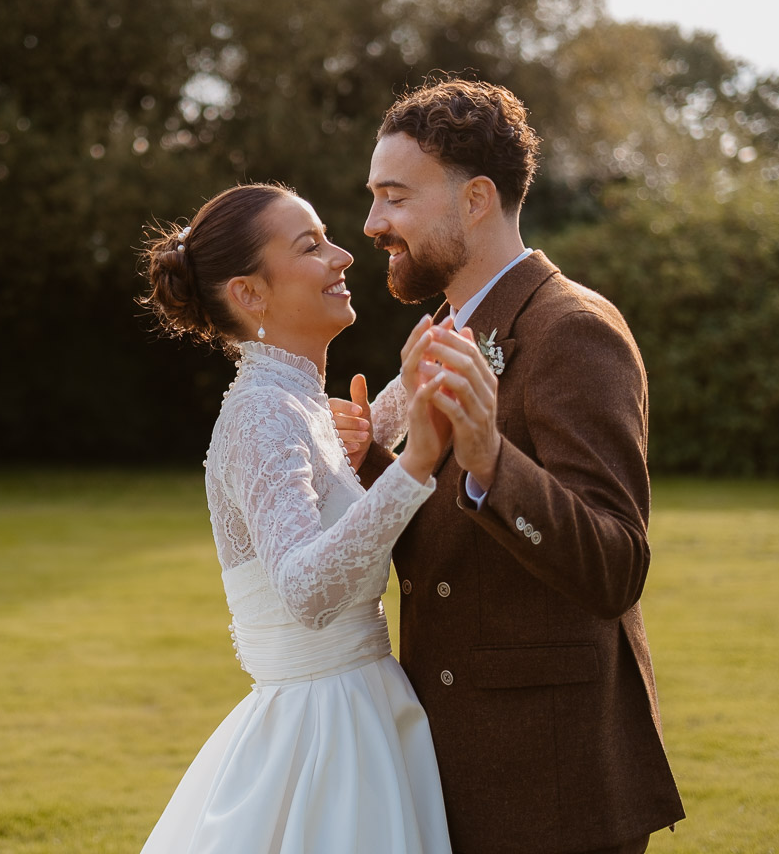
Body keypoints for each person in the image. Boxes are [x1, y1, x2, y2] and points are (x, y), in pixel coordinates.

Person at [334, 78, 686, 854]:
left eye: (394, 197)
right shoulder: (444, 331)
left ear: (476, 200)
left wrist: (490, 458)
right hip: (450, 762)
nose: (372, 224)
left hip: (548, 782)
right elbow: (449, 547)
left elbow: (616, 566)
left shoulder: (573, 332)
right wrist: (374, 464)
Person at [137, 182, 454, 854]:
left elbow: (334, 476)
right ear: (251, 294)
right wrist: (415, 463)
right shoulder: (260, 413)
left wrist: (418, 380)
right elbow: (306, 590)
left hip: (360, 710)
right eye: (311, 246)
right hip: (325, 738)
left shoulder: (295, 401)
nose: (342, 255)